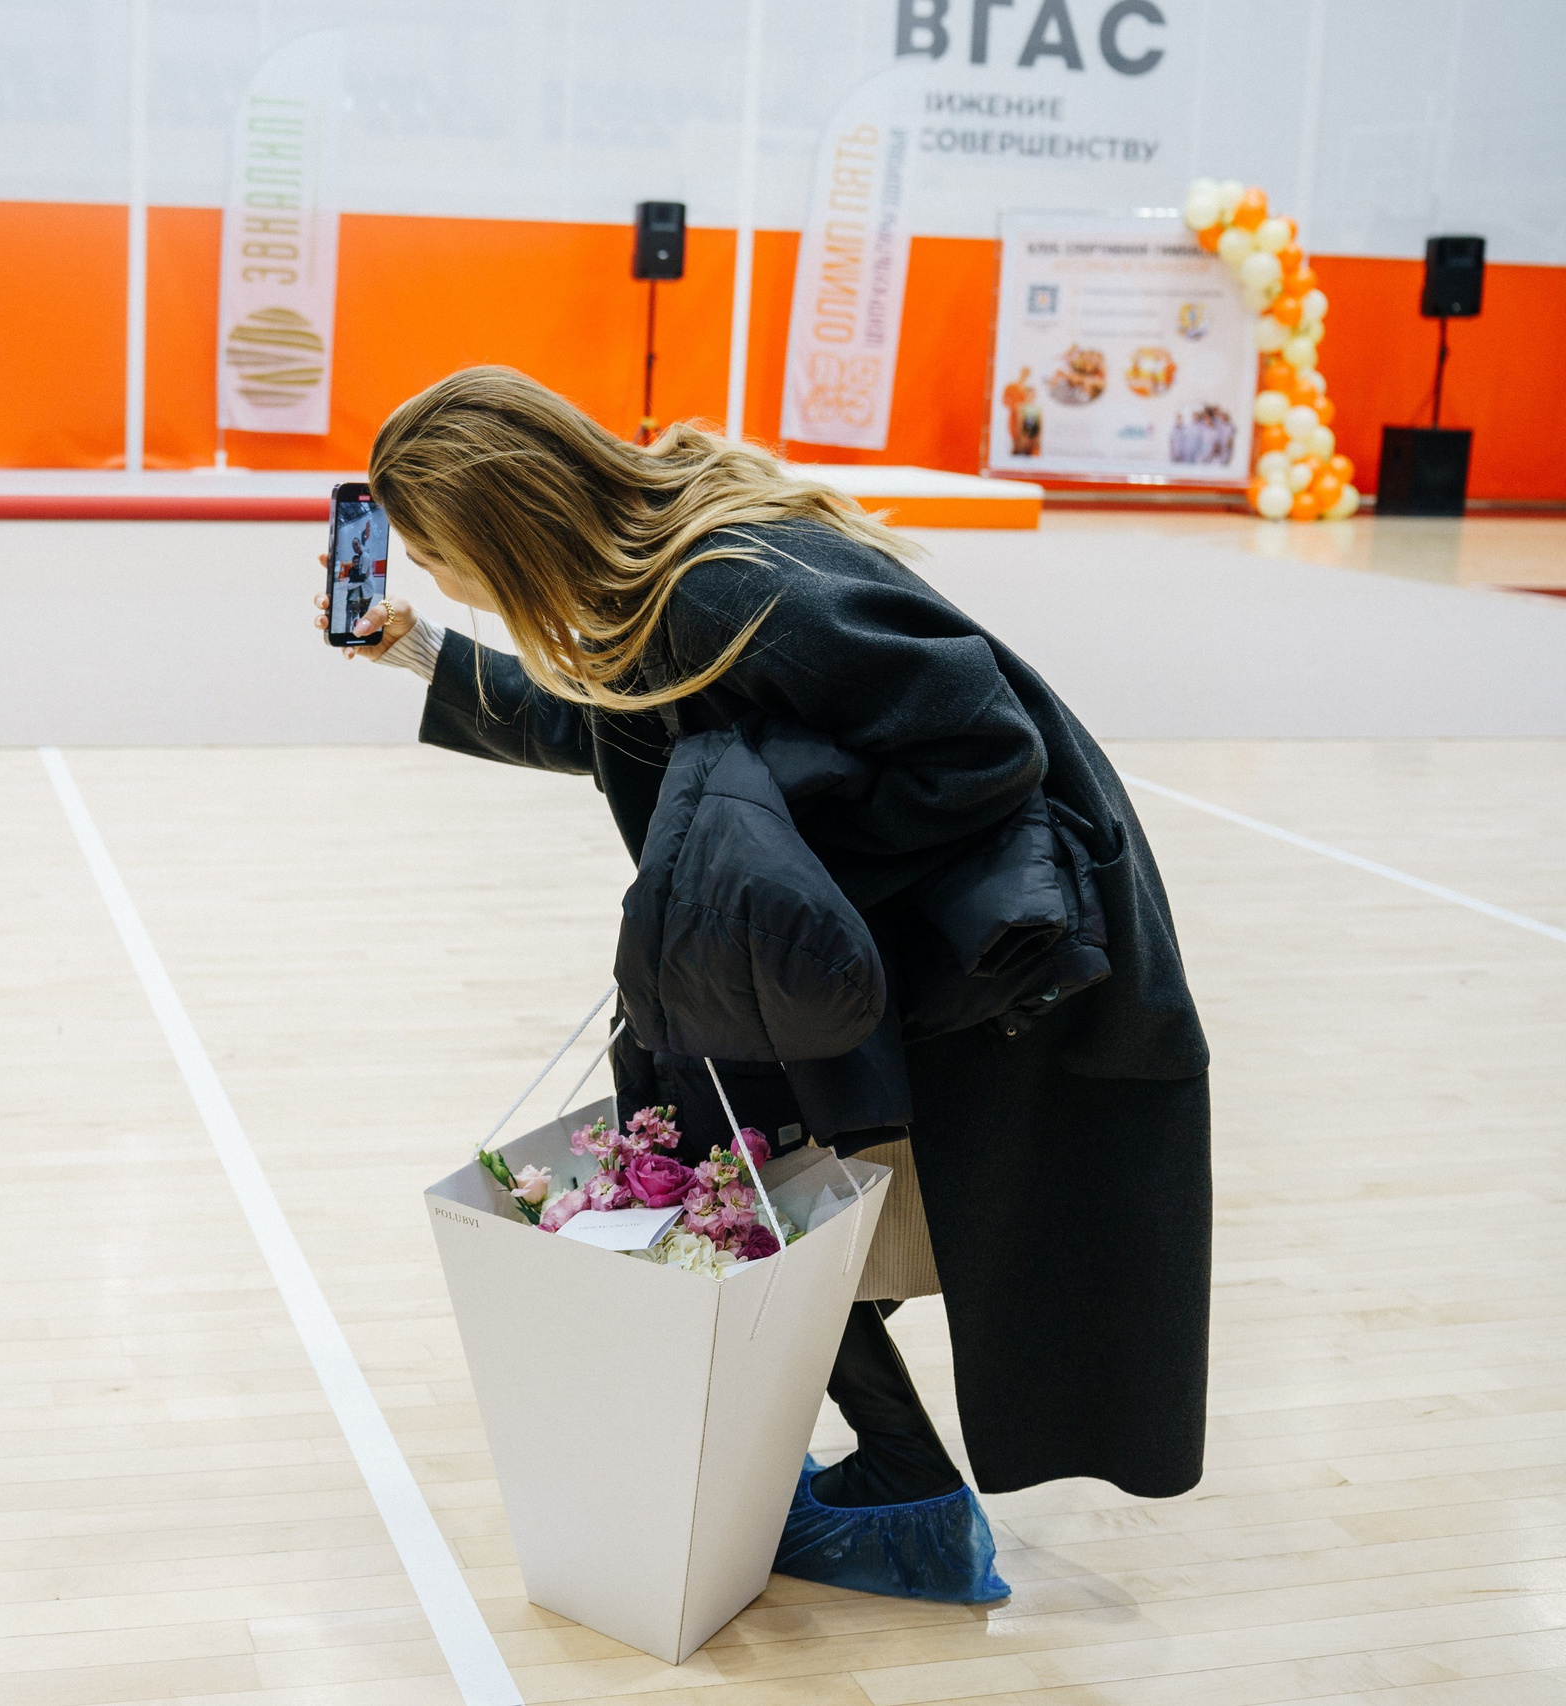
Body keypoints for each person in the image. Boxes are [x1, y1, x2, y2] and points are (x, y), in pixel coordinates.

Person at [322, 366, 1212, 1602]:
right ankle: (893, 1482)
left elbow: (981, 740)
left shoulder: (725, 586)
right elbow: (614, 725)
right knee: (743, 1160)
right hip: (931, 943)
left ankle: (907, 1496)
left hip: (1011, 954)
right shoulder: (662, 578)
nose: (428, 577)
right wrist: (421, 651)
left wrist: (784, 851)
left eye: (432, 558)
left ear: (502, 533)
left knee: (731, 1163)